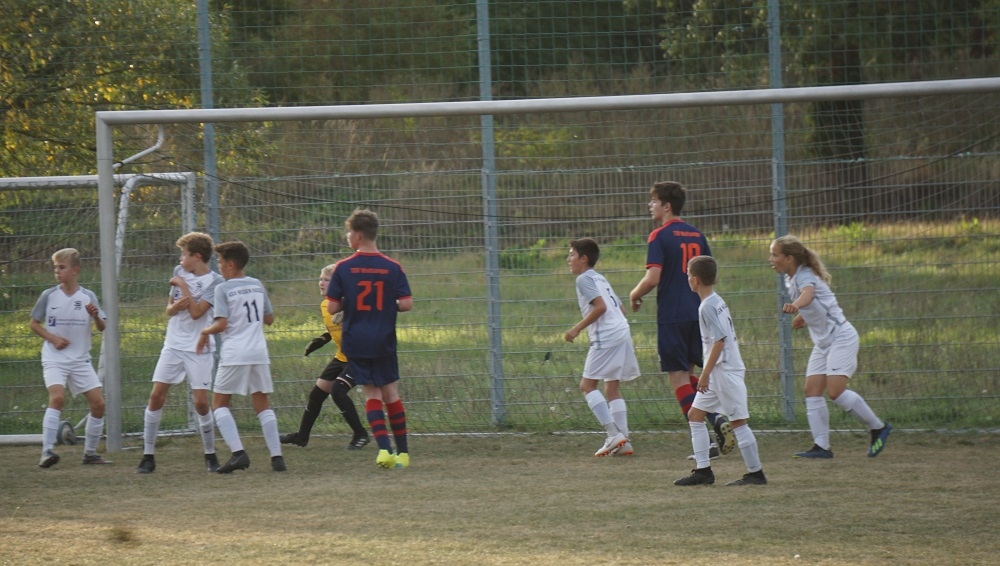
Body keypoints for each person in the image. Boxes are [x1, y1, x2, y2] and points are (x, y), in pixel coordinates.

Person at [627, 181, 735, 458]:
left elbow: (653, 277)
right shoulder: (697, 235)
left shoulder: (659, 235)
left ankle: (710, 428)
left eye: (653, 201)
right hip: (700, 312)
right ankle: (716, 421)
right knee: (688, 374)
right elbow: (710, 274)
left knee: (677, 377)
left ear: (666, 206)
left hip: (672, 315)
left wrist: (634, 294)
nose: (650, 206)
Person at [769, 235, 891, 458]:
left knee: (835, 392)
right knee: (812, 391)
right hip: (824, 343)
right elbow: (818, 302)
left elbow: (808, 294)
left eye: (774, 255)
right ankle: (822, 447)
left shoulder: (804, 275)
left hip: (841, 338)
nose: (771, 259)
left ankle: (878, 428)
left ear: (789, 258)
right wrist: (803, 316)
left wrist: (795, 306)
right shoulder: (791, 277)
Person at [327, 209, 413, 469]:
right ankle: (403, 454)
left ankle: (384, 450)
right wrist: (386, 306)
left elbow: (332, 308)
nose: (347, 237)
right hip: (383, 339)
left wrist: (349, 302)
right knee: (391, 393)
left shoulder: (343, 268)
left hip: (356, 340)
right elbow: (406, 304)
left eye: (349, 232)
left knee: (371, 394)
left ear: (358, 235)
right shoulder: (393, 267)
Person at [136, 232, 225, 474]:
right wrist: (173, 306)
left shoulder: (215, 282)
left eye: (183, 254)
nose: (180, 259)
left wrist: (183, 286)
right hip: (173, 344)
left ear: (197, 257)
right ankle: (148, 456)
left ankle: (210, 454)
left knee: (201, 402)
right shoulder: (179, 271)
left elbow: (196, 313)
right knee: (156, 397)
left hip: (198, 348)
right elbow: (169, 309)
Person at [674, 256, 767, 486]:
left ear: (695, 280)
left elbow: (719, 341)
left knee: (738, 422)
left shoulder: (707, 306)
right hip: (718, 371)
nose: (688, 278)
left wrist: (704, 374)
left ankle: (756, 474)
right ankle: (703, 472)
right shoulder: (716, 301)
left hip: (724, 371)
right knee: (695, 415)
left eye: (688, 275)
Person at [196, 241, 285, 473]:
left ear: (231, 264)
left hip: (236, 352)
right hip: (259, 352)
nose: (218, 266)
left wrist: (204, 332)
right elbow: (269, 319)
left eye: (220, 262)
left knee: (219, 404)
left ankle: (238, 454)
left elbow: (221, 324)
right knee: (262, 403)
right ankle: (277, 457)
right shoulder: (256, 284)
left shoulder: (223, 289)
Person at [29, 248, 110, 467]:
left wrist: (95, 316)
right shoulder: (49, 295)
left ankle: (90, 454)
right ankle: (46, 451)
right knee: (57, 398)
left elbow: (102, 327)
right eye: (55, 267)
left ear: (75, 270)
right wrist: (53, 338)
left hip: (80, 359)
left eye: (62, 267)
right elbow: (34, 324)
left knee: (99, 404)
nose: (57, 271)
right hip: (54, 358)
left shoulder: (87, 296)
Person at [280, 263, 370, 450]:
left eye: (326, 280)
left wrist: (349, 312)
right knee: (317, 394)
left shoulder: (353, 303)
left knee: (338, 390)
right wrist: (322, 339)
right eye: (320, 279)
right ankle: (302, 437)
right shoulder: (325, 305)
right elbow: (334, 329)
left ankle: (360, 434)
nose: (321, 283)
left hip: (360, 357)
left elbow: (368, 323)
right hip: (342, 357)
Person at [564, 238, 640, 457]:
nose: (568, 259)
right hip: (622, 331)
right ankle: (624, 441)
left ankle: (613, 433)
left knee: (587, 386)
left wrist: (576, 329)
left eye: (572, 255)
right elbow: (621, 309)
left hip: (606, 337)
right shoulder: (599, 278)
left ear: (583, 259)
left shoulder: (583, 279)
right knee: (611, 388)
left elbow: (601, 307)